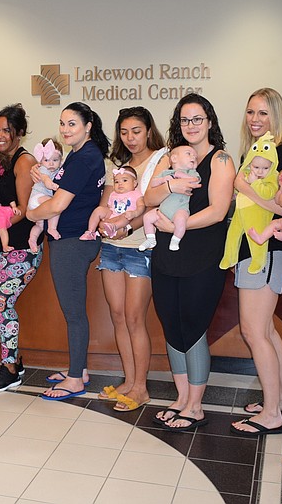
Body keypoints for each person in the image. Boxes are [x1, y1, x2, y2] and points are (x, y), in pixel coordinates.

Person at [144, 93, 235, 431]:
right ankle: (181, 398)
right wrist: (171, 182)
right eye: (185, 120)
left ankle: (196, 406)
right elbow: (148, 198)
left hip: (202, 254)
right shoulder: (172, 158)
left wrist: (174, 225)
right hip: (166, 254)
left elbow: (218, 210)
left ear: (209, 121)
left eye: (198, 119)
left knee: (194, 327)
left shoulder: (221, 159)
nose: (191, 126)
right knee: (171, 323)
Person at [227, 89, 282, 437]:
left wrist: (244, 187)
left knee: (253, 331)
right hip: (254, 249)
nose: (255, 119)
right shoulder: (255, 152)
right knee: (266, 330)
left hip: (267, 249)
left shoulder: (281, 151)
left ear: (277, 117)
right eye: (250, 112)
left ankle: (271, 413)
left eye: (263, 113)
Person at [27, 101, 109, 400]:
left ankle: (75, 379)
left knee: (74, 313)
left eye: (72, 124)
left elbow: (59, 204)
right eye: (62, 124)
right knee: (73, 311)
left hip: (72, 242)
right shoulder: (80, 154)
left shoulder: (84, 157)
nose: (65, 130)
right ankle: (79, 368)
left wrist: (32, 215)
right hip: (73, 239)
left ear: (88, 126)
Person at [94, 106, 167, 412]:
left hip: (141, 249)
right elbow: (106, 202)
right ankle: (128, 379)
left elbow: (152, 205)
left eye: (136, 131)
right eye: (124, 132)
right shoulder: (118, 163)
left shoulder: (161, 159)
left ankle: (141, 387)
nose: (130, 138)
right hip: (111, 247)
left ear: (149, 130)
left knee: (135, 317)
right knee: (118, 315)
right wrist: (102, 222)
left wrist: (128, 227)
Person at [0, 104, 43, 393]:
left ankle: (10, 368)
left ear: (20, 133)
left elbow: (26, 209)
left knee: (0, 303)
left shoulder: (23, 161)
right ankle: (11, 360)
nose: (0, 135)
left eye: (7, 130)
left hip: (18, 248)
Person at [219, 131, 280, 274]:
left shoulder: (272, 177)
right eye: (256, 167)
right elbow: (238, 186)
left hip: (257, 213)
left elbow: (268, 193)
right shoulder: (247, 172)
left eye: (265, 168)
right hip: (240, 210)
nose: (260, 171)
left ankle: (258, 261)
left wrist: (256, 183)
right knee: (232, 235)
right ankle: (229, 257)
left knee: (256, 237)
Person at [138, 146, 201, 252]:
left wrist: (179, 175)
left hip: (180, 209)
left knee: (181, 220)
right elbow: (153, 183)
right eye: (189, 154)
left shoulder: (192, 173)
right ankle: (150, 238)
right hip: (163, 209)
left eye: (195, 156)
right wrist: (164, 180)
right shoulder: (166, 172)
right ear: (174, 158)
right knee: (147, 217)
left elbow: (195, 181)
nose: (193, 157)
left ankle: (176, 239)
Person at [80, 166, 144, 241]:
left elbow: (141, 206)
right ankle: (91, 231)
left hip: (126, 217)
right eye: (116, 182)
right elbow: (109, 207)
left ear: (134, 183)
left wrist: (135, 213)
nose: (120, 184)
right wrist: (104, 217)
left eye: (125, 180)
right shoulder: (113, 194)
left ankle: (114, 227)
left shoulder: (136, 193)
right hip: (112, 215)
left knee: (125, 216)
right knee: (99, 210)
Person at [27, 138, 63, 251]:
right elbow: (45, 178)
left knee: (40, 225)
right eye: (47, 160)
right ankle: (52, 228)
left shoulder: (55, 170)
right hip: (37, 198)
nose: (51, 163)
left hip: (36, 202)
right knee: (55, 205)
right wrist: (50, 184)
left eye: (55, 160)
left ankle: (32, 239)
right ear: (41, 161)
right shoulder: (43, 169)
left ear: (61, 160)